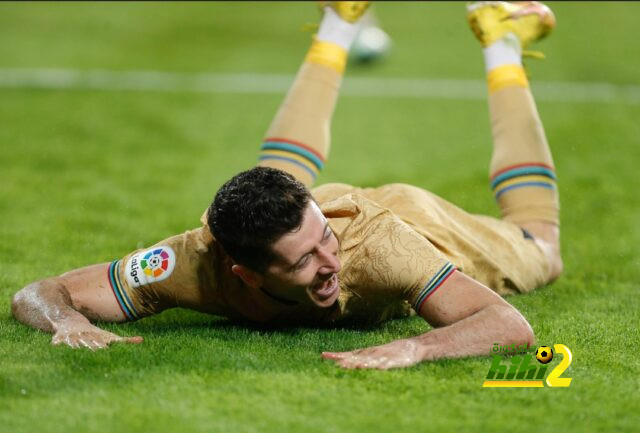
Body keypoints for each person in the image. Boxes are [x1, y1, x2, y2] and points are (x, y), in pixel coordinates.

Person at [11, 1, 563, 370]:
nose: (331, 262)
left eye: (325, 243)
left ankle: (502, 38)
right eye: (304, 262)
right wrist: (67, 320)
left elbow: (507, 325)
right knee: (278, 193)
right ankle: (340, 21)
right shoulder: (192, 264)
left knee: (541, 244)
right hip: (307, 217)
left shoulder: (374, 249)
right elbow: (39, 292)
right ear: (244, 275)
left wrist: (416, 346)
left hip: (413, 223)